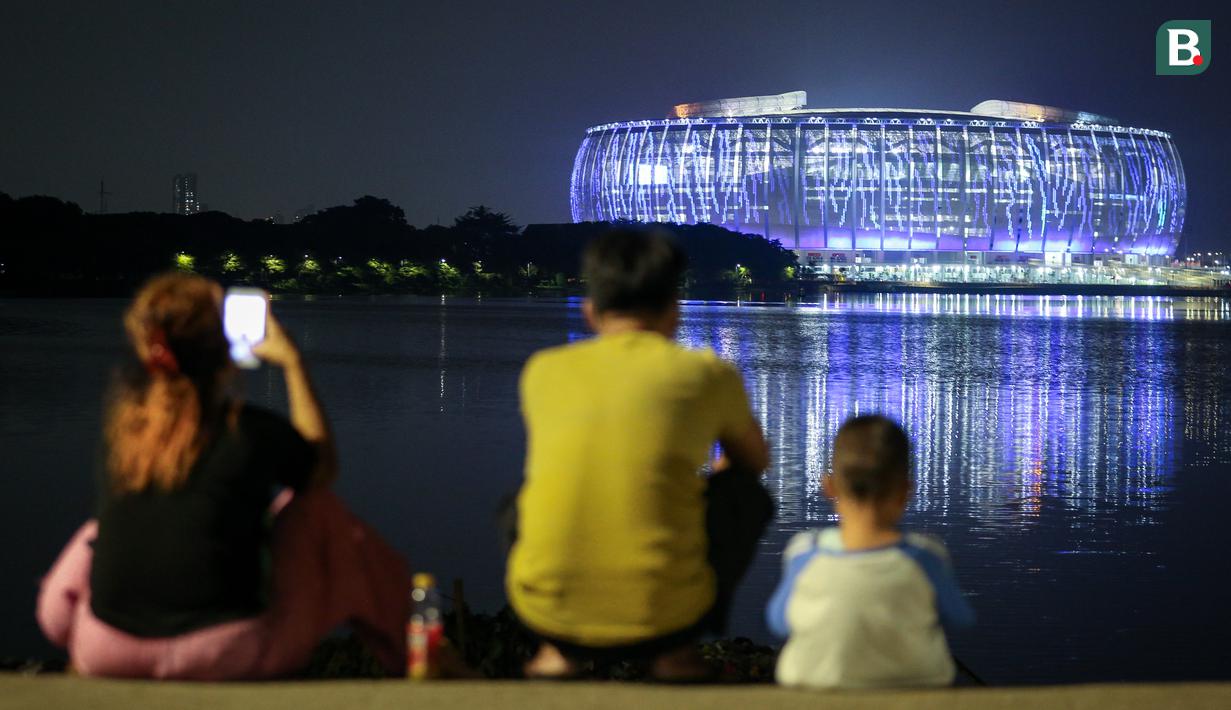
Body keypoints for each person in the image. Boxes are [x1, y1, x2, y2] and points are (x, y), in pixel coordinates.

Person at [36, 273, 410, 680]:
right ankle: (414, 652)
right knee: (317, 508)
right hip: (226, 652)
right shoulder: (249, 432)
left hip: (105, 649)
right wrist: (292, 363)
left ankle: (87, 650)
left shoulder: (126, 433)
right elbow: (321, 468)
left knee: (103, 525)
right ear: (227, 346)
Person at [505, 229, 773, 681]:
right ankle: (679, 650)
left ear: (591, 310)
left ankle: (553, 650)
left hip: (546, 610)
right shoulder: (706, 372)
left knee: (519, 503)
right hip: (666, 614)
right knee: (747, 497)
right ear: (674, 311)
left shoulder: (543, 370)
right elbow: (755, 461)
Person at [766, 415, 975, 689]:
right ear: (906, 490)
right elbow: (960, 617)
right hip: (913, 686)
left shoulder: (805, 553)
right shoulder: (925, 556)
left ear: (828, 487)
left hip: (817, 687)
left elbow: (779, 620)